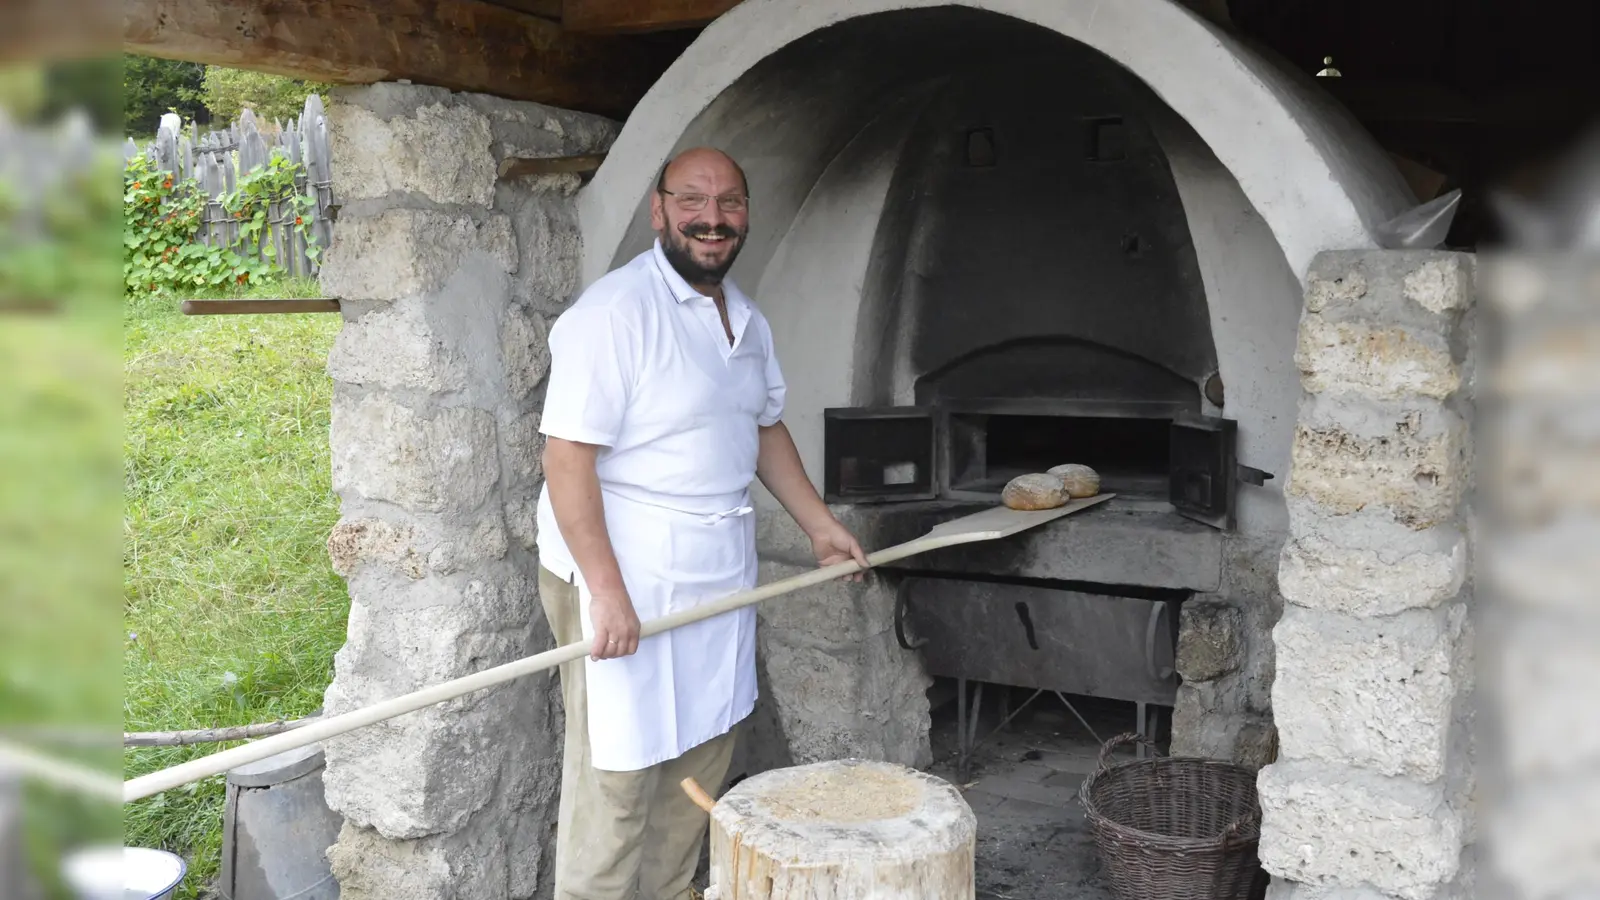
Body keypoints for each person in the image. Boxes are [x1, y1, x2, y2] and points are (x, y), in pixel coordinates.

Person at [534, 147, 870, 900]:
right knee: (618, 776)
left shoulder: (744, 319)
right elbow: (567, 462)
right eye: (692, 200)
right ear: (659, 212)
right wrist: (606, 592)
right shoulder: (613, 316)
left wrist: (818, 524)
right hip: (625, 573)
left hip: (714, 572)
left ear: (746, 215)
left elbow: (763, 428)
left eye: (729, 203)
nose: (711, 218)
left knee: (701, 755)